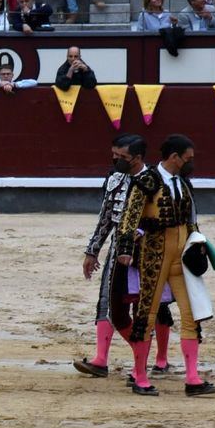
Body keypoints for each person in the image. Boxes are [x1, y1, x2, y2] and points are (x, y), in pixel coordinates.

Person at [116, 134, 215, 397]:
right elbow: (129, 217)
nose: (190, 163)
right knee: (145, 317)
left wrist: (198, 243)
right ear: (174, 157)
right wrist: (126, 250)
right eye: (188, 159)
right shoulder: (146, 181)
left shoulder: (184, 185)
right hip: (153, 255)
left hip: (181, 257)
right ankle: (139, 376)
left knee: (191, 314)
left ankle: (193, 379)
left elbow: (191, 219)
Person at [74, 134, 175, 380]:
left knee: (154, 306)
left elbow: (165, 220)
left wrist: (141, 234)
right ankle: (101, 360)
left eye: (122, 157)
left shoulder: (156, 181)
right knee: (107, 301)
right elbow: (106, 218)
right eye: (114, 155)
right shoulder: (115, 179)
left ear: (138, 158)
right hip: (119, 249)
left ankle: (160, 360)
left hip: (151, 249)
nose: (116, 160)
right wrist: (92, 251)